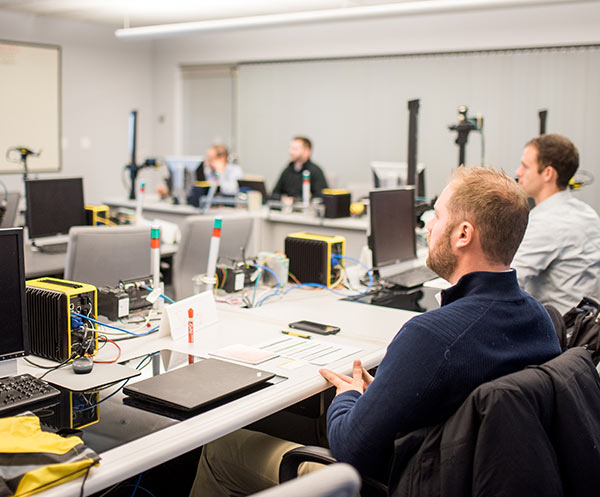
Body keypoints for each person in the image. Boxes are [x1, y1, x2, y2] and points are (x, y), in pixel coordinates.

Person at [189, 166, 561, 496]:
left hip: (406, 481)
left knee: (223, 450)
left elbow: (352, 449)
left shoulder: (432, 337)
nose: (427, 225)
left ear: (463, 234)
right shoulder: (540, 320)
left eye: (436, 215)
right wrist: (388, 391)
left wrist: (350, 396)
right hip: (471, 474)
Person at [512, 134, 600, 314]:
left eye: (525, 166)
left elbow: (508, 281)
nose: (518, 172)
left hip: (555, 333)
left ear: (548, 173)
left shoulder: (546, 223)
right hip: (587, 331)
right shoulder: (588, 214)